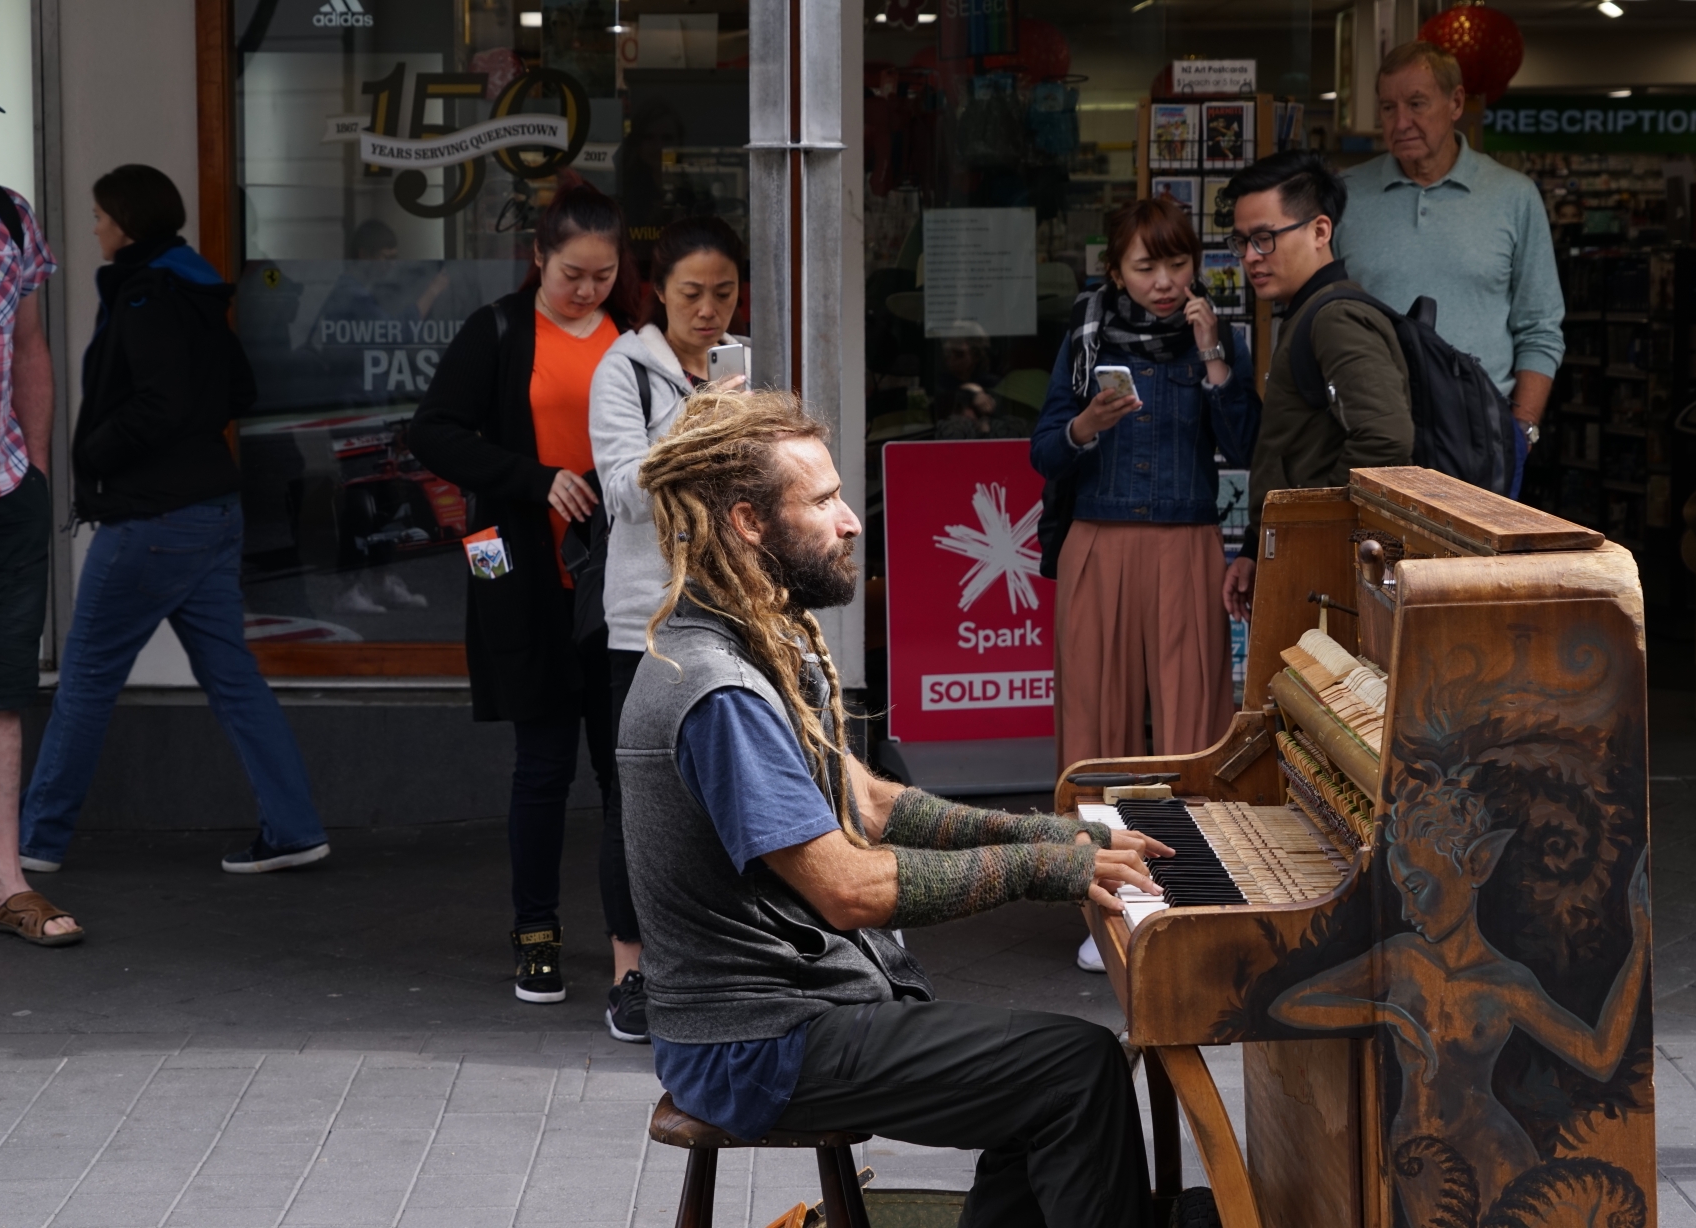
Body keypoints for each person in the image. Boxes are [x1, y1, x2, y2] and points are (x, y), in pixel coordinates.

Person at [623, 387, 1172, 1226]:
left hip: (788, 1017)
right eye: (823, 501)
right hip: (755, 1044)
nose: (850, 521)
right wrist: (1045, 868)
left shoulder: (750, 643)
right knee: (1075, 1070)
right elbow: (849, 888)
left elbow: (871, 804)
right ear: (747, 523)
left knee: (1050, 1073)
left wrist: (1052, 833)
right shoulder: (718, 689)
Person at [14, 166, 332, 880]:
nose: (93, 227)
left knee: (87, 678)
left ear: (126, 221)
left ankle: (35, 839)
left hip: (151, 523)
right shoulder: (194, 288)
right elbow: (235, 388)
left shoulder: (146, 293)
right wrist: (185, 437)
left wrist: (96, 450)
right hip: (211, 514)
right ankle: (296, 828)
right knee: (234, 681)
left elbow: (159, 402)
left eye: (99, 216)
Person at [408, 181, 648, 1017]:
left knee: (624, 772)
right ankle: (536, 932)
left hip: (616, 584)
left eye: (603, 275)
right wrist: (536, 480)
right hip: (515, 569)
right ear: (538, 258)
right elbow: (432, 431)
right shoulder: (500, 330)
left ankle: (635, 949)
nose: (587, 291)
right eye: (573, 274)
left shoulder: (636, 339)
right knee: (542, 766)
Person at [1031, 196, 1259, 975]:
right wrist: (1088, 423)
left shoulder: (1216, 338)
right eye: (1145, 266)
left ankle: (1191, 890)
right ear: (1116, 271)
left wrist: (1216, 361)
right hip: (1099, 538)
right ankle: (1109, 906)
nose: (1164, 282)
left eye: (1177, 263)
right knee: (1097, 722)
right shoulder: (1087, 339)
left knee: (1193, 714)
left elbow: (1245, 444)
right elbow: (1045, 452)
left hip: (1187, 542)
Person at [589, 215, 749, 1039]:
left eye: (723, 292)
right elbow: (621, 489)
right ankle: (632, 973)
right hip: (643, 619)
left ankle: (716, 958)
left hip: (729, 611)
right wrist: (697, 427)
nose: (710, 309)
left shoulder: (738, 367)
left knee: (727, 787)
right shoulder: (625, 369)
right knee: (635, 800)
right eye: (692, 293)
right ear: (658, 290)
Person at [1335, 40, 1564, 466]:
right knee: (1375, 538)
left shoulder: (1513, 196)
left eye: (1416, 104)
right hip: (1368, 434)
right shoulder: (1344, 196)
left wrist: (1523, 428)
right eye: (1388, 108)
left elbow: (1540, 327)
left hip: (1481, 437)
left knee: (1475, 538)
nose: (1401, 122)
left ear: (1455, 102)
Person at [1220, 151, 1416, 623]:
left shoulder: (1335, 318)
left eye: (1264, 238)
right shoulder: (1309, 312)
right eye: (1242, 241)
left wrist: (1309, 522)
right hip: (1314, 556)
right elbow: (1298, 445)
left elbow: (1387, 437)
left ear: (1320, 231)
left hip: (1329, 565)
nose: (1250, 256)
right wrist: (1257, 542)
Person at [0, 77, 80, 945]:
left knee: (0, 688)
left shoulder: (9, 218)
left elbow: (31, 349)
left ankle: (4, 880)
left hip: (0, 492)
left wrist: (37, 468)